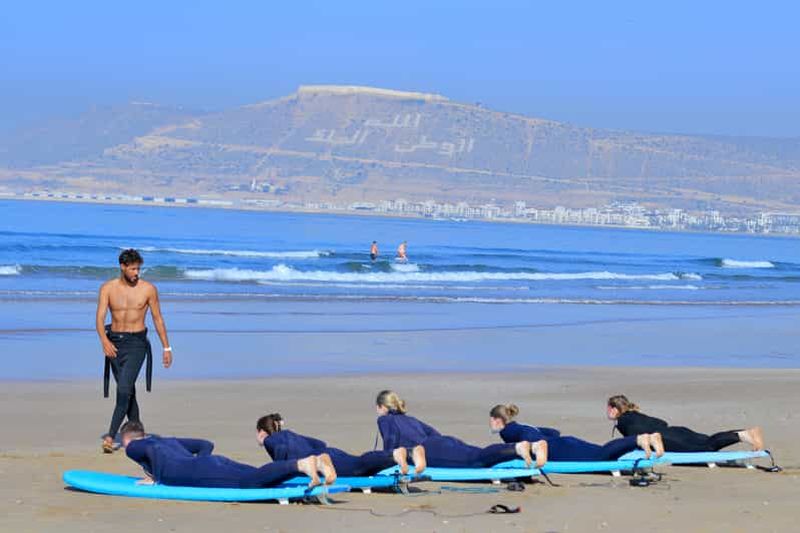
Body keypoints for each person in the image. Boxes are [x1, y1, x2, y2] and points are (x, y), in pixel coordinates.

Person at [96, 249, 173, 454]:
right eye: (133, 269)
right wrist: (104, 340)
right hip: (113, 344)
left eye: (139, 268)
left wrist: (167, 347)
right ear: (122, 267)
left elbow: (158, 318)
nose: (137, 272)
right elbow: (100, 318)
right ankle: (138, 434)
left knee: (123, 390)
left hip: (137, 344)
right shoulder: (108, 289)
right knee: (128, 391)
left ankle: (111, 436)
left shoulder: (148, 289)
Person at [119, 421, 335, 488]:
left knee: (248, 483)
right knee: (260, 477)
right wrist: (197, 461)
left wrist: (157, 477)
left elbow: (149, 450)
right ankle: (316, 466)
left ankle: (304, 465)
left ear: (129, 439)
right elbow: (206, 444)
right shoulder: (166, 440)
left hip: (197, 471)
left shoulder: (134, 445)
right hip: (211, 462)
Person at [375, 390, 546, 468]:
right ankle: (531, 448)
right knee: (479, 453)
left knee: (476, 460)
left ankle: (518, 447)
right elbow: (434, 433)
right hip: (442, 442)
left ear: (382, 407)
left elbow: (390, 444)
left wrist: (387, 462)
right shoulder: (410, 418)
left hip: (430, 449)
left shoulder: (384, 420)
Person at [256, 413, 426, 476]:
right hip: (328, 452)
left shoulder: (270, 440)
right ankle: (406, 454)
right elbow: (320, 442)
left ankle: (397, 454)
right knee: (360, 465)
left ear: (262, 432)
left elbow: (280, 450)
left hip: (324, 461)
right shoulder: (290, 434)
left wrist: (280, 471)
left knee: (359, 467)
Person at [489, 403, 664, 461]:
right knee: (602, 452)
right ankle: (641, 440)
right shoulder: (523, 426)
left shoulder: (509, 431)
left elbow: (526, 440)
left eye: (491, 420)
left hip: (561, 450)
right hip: (565, 442)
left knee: (601, 455)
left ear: (498, 420)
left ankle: (640, 440)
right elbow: (554, 432)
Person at [606, 395, 764, 452]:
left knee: (707, 448)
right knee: (708, 440)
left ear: (614, 409)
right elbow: (661, 422)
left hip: (667, 438)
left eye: (608, 408)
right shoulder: (634, 414)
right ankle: (745, 433)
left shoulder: (623, 421)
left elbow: (637, 436)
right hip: (676, 431)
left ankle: (744, 435)